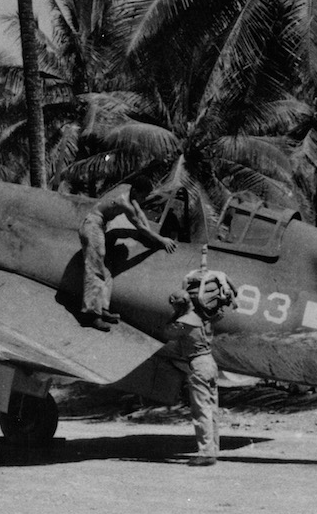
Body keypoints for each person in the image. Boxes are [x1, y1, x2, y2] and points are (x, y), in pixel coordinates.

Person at [78, 178, 176, 330]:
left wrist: (152, 234)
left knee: (106, 272)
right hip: (92, 226)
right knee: (95, 270)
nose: (143, 199)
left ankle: (103, 309)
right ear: (136, 191)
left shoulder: (130, 195)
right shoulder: (123, 202)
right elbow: (139, 226)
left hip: (98, 226)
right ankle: (92, 315)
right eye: (143, 196)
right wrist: (161, 240)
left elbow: (141, 215)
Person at [166, 262, 237, 466]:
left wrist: (175, 314)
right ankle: (212, 449)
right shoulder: (202, 318)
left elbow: (167, 332)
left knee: (201, 410)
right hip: (210, 364)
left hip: (198, 365)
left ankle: (205, 453)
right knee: (211, 408)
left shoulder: (185, 322)